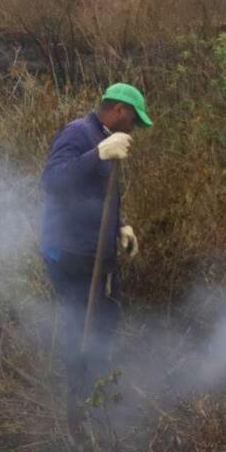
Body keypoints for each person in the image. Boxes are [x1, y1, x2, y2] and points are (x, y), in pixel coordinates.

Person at [40, 82, 153, 423]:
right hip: (70, 253)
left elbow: (100, 192)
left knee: (104, 323)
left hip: (96, 252)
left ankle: (98, 394)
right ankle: (76, 407)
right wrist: (97, 154)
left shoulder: (105, 137)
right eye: (134, 118)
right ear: (118, 110)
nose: (135, 127)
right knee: (81, 326)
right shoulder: (78, 134)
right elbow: (53, 181)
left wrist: (121, 224)